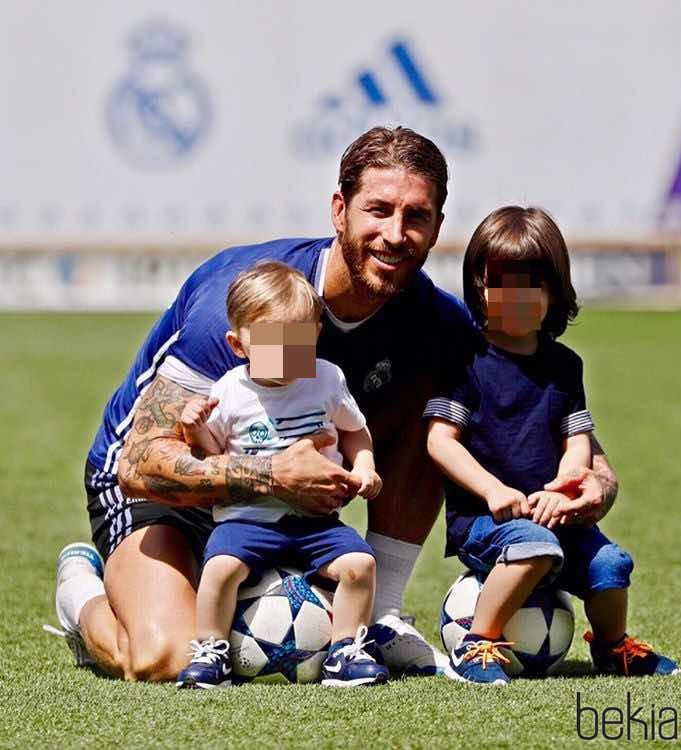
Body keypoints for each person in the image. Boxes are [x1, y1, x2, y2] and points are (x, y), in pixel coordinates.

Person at [51, 127, 619, 682]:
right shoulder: (243, 302)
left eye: (415, 216)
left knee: (440, 406)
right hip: (167, 497)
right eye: (378, 210)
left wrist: (595, 482)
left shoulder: (439, 324)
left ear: (437, 226)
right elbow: (138, 464)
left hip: (297, 512)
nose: (395, 234)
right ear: (339, 209)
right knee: (163, 658)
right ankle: (83, 595)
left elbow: (547, 409)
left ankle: (380, 615)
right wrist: (270, 475)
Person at [424, 206, 679, 685]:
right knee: (536, 547)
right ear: (479, 285)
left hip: (551, 513)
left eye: (531, 285)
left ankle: (611, 647)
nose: (516, 297)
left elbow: (576, 438)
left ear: (555, 290)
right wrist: (493, 491)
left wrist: (566, 485)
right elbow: (441, 442)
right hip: (486, 521)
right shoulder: (463, 361)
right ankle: (478, 644)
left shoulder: (564, 366)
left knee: (611, 563)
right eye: (502, 282)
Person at [173, 261, 388, 688]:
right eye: (274, 342)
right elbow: (213, 458)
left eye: (299, 341)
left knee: (361, 564)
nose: (289, 353)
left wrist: (364, 465)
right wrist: (194, 427)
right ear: (239, 344)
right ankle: (211, 650)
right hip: (247, 519)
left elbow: (354, 431)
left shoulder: (327, 379)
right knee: (218, 571)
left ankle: (346, 649)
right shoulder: (230, 391)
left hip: (315, 522)